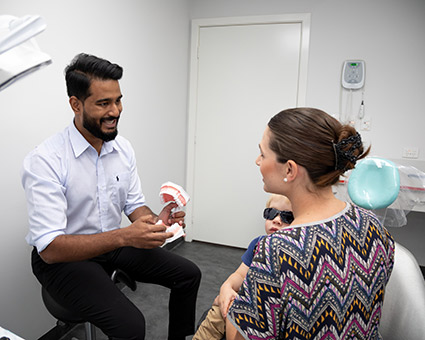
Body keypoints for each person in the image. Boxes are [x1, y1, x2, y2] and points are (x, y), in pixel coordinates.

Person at [21, 53, 201, 340]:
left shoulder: (122, 148)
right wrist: (125, 237)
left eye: (118, 100)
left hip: (111, 242)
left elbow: (133, 205)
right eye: (103, 103)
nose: (115, 111)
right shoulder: (46, 160)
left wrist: (156, 222)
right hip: (63, 260)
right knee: (131, 325)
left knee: (188, 274)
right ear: (76, 104)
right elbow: (50, 248)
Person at [225, 107, 395, 340]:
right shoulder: (374, 226)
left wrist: (231, 309)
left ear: (290, 169)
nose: (257, 161)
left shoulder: (277, 250)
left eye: (263, 154)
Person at [193, 194, 293, 340]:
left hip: (268, 310)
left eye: (287, 217)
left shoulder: (293, 252)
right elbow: (240, 275)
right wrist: (227, 288)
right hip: (246, 298)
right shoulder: (258, 244)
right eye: (271, 213)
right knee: (218, 311)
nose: (277, 221)